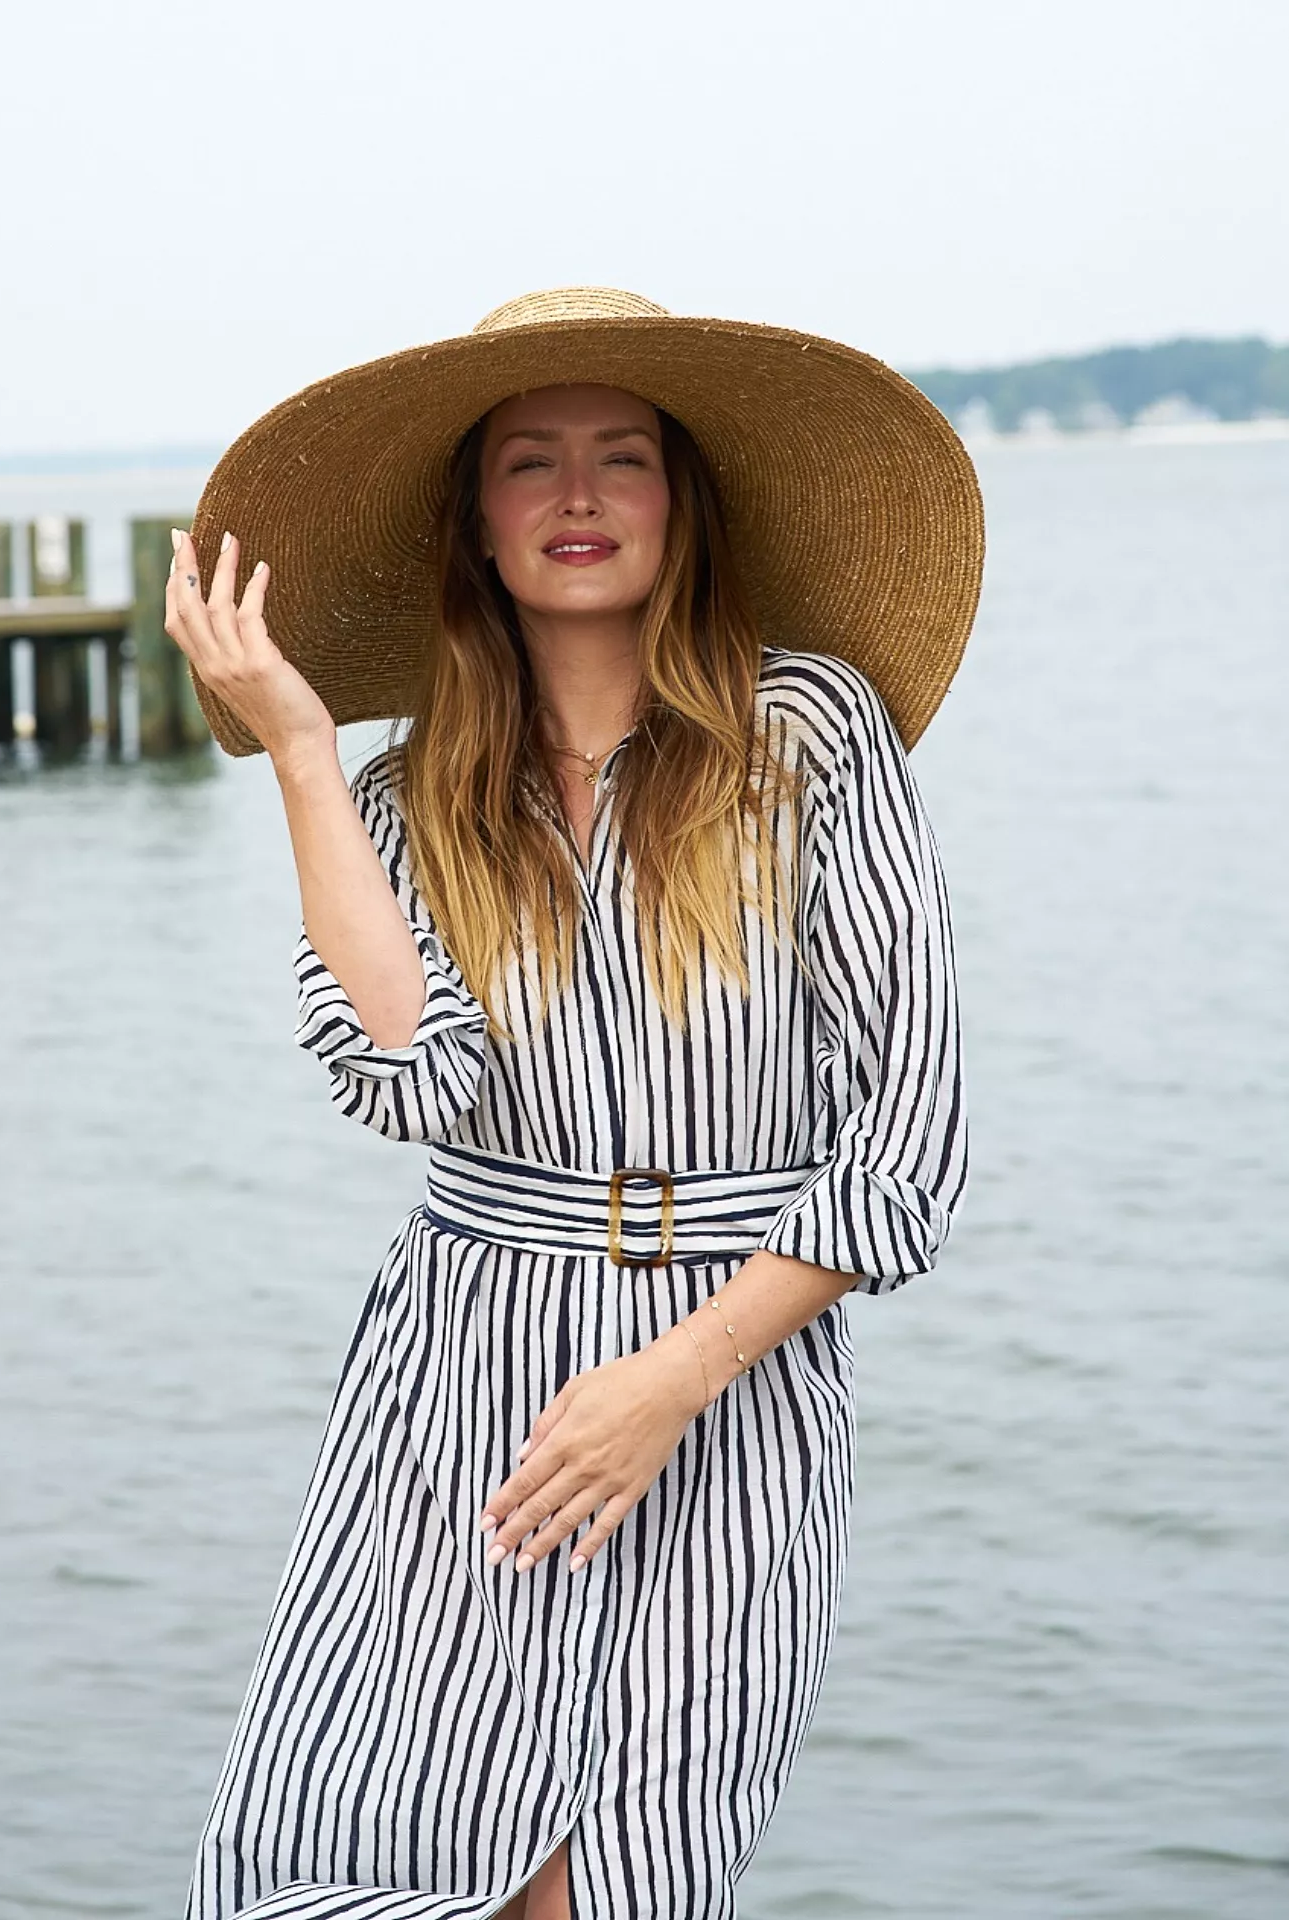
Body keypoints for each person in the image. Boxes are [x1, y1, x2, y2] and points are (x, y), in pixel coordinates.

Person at [163, 287, 982, 1920]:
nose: (583, 494)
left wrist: (671, 1381)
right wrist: (310, 761)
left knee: (616, 1878)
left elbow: (910, 1141)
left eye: (625, 457)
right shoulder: (402, 800)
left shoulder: (811, 735)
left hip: (730, 1379)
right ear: (475, 522)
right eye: (532, 462)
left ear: (685, 505)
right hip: (462, 1385)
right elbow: (414, 1075)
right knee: (371, 1864)